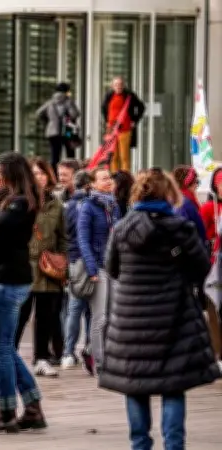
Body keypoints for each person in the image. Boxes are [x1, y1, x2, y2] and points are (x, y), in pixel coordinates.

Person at [101, 168, 220, 450]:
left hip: (130, 320)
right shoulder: (180, 228)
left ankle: (139, 444)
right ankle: (174, 445)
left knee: (135, 386)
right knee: (173, 386)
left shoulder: (122, 229)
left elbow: (112, 268)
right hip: (173, 317)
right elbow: (202, 269)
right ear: (169, 193)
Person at [0, 151, 46, 434]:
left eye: (1, 173)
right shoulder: (20, 201)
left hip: (9, 279)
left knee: (1, 348)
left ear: (12, 175)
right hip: (10, 277)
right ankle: (32, 406)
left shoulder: (19, 204)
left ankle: (7, 411)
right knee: (4, 347)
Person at [14, 159, 66, 378]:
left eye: (43, 173)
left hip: (48, 268)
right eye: (35, 173)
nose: (40, 177)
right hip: (25, 265)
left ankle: (41, 358)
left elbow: (62, 237)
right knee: (20, 314)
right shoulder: (21, 201)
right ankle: (10, 355)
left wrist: (63, 261)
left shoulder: (57, 205)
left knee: (46, 316)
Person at [76, 167, 120, 375]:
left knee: (112, 316)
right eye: (103, 178)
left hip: (114, 267)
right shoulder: (88, 206)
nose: (108, 181)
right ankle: (101, 363)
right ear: (92, 184)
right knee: (100, 317)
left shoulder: (113, 205)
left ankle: (89, 349)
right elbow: (83, 239)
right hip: (98, 267)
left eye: (109, 177)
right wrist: (91, 267)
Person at [61, 170, 94, 370]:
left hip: (74, 260)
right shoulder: (92, 206)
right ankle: (89, 348)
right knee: (91, 310)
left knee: (74, 309)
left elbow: (66, 234)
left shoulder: (69, 206)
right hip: (90, 260)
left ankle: (68, 352)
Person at [101, 77, 146, 173]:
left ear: (124, 85)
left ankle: (125, 177)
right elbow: (104, 109)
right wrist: (106, 121)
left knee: (124, 156)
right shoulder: (109, 95)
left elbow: (141, 107)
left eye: (121, 84)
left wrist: (134, 120)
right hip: (112, 130)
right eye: (116, 84)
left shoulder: (129, 95)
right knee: (113, 155)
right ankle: (114, 177)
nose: (119, 87)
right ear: (112, 86)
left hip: (125, 129)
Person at [36, 82, 81, 168]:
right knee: (70, 154)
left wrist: (49, 121)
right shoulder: (68, 102)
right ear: (66, 91)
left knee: (55, 155)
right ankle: (71, 172)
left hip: (53, 132)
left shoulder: (50, 102)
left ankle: (55, 174)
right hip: (67, 131)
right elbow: (74, 115)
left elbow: (38, 113)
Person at [173, 166, 207, 246]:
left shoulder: (179, 199)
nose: (196, 185)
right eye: (196, 181)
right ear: (188, 183)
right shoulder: (185, 203)